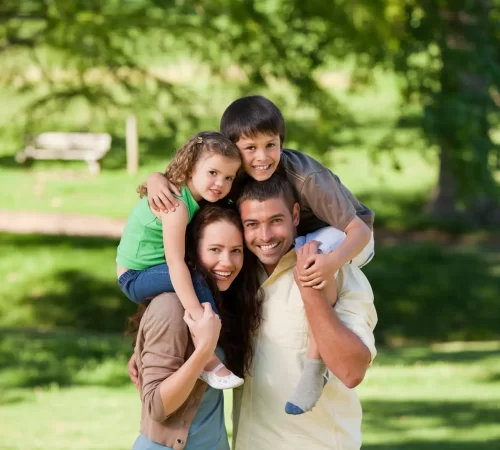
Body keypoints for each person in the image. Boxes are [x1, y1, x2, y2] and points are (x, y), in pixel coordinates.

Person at [143, 95, 375, 414]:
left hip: (346, 232)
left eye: (271, 145)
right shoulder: (231, 174)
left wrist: (329, 264)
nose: (262, 157)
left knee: (311, 260)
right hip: (291, 235)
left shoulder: (306, 175)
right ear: (233, 148)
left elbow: (359, 231)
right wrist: (156, 179)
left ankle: (314, 368)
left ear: (282, 142)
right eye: (250, 148)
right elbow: (190, 175)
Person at [232, 174, 377, 449]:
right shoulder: (238, 276)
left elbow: (351, 370)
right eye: (252, 224)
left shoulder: (341, 273)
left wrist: (310, 292)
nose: (264, 236)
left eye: (276, 221)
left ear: (295, 214)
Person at [126, 204, 263, 450]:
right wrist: (203, 353)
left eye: (236, 250)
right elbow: (156, 407)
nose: (227, 261)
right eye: (215, 249)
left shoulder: (220, 303)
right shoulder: (170, 307)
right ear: (193, 253)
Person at [116, 131, 244, 390]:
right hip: (135, 276)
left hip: (150, 271)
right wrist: (202, 319)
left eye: (228, 177)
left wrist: (155, 177)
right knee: (195, 277)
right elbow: (175, 264)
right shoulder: (176, 207)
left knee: (196, 275)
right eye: (213, 173)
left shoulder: (192, 199)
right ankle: (207, 357)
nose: (220, 182)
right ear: (191, 167)